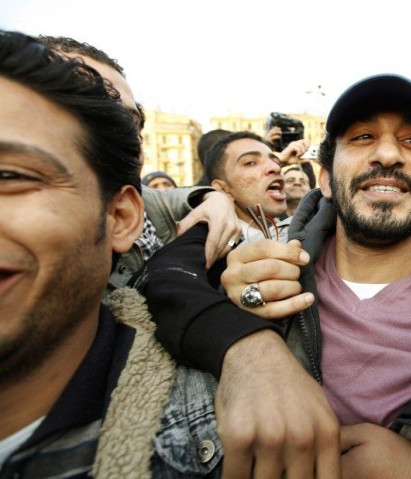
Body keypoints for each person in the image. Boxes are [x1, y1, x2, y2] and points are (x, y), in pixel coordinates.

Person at [136, 74, 411, 477]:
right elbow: (144, 299)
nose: (387, 154)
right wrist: (233, 327)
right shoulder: (256, 261)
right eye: (363, 137)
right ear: (323, 178)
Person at [0, 31, 224, 477]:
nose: (127, 135)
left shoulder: (217, 426)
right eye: (90, 95)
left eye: (9, 176)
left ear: (121, 216)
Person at [39, 35, 242, 276]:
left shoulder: (148, 209)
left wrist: (215, 200)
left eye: (131, 122)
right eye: (89, 108)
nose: (122, 135)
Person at [205, 131, 294, 243]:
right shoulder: (206, 245)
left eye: (275, 161)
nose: (276, 167)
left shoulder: (301, 232)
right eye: (250, 163)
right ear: (223, 189)